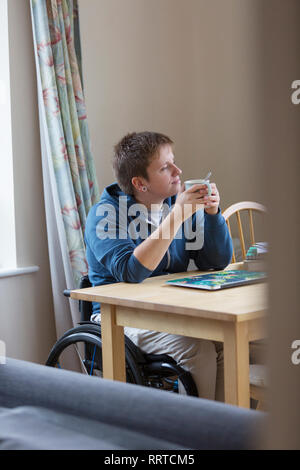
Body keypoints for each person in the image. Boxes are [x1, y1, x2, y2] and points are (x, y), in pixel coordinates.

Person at [85, 131, 233, 401]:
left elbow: (215, 262)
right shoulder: (105, 215)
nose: (178, 171)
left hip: (165, 308)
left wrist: (213, 214)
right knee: (198, 350)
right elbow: (131, 271)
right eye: (166, 167)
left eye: (173, 162)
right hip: (120, 316)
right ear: (140, 183)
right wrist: (177, 216)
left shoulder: (170, 206)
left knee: (225, 343)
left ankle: (223, 430)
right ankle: (196, 432)